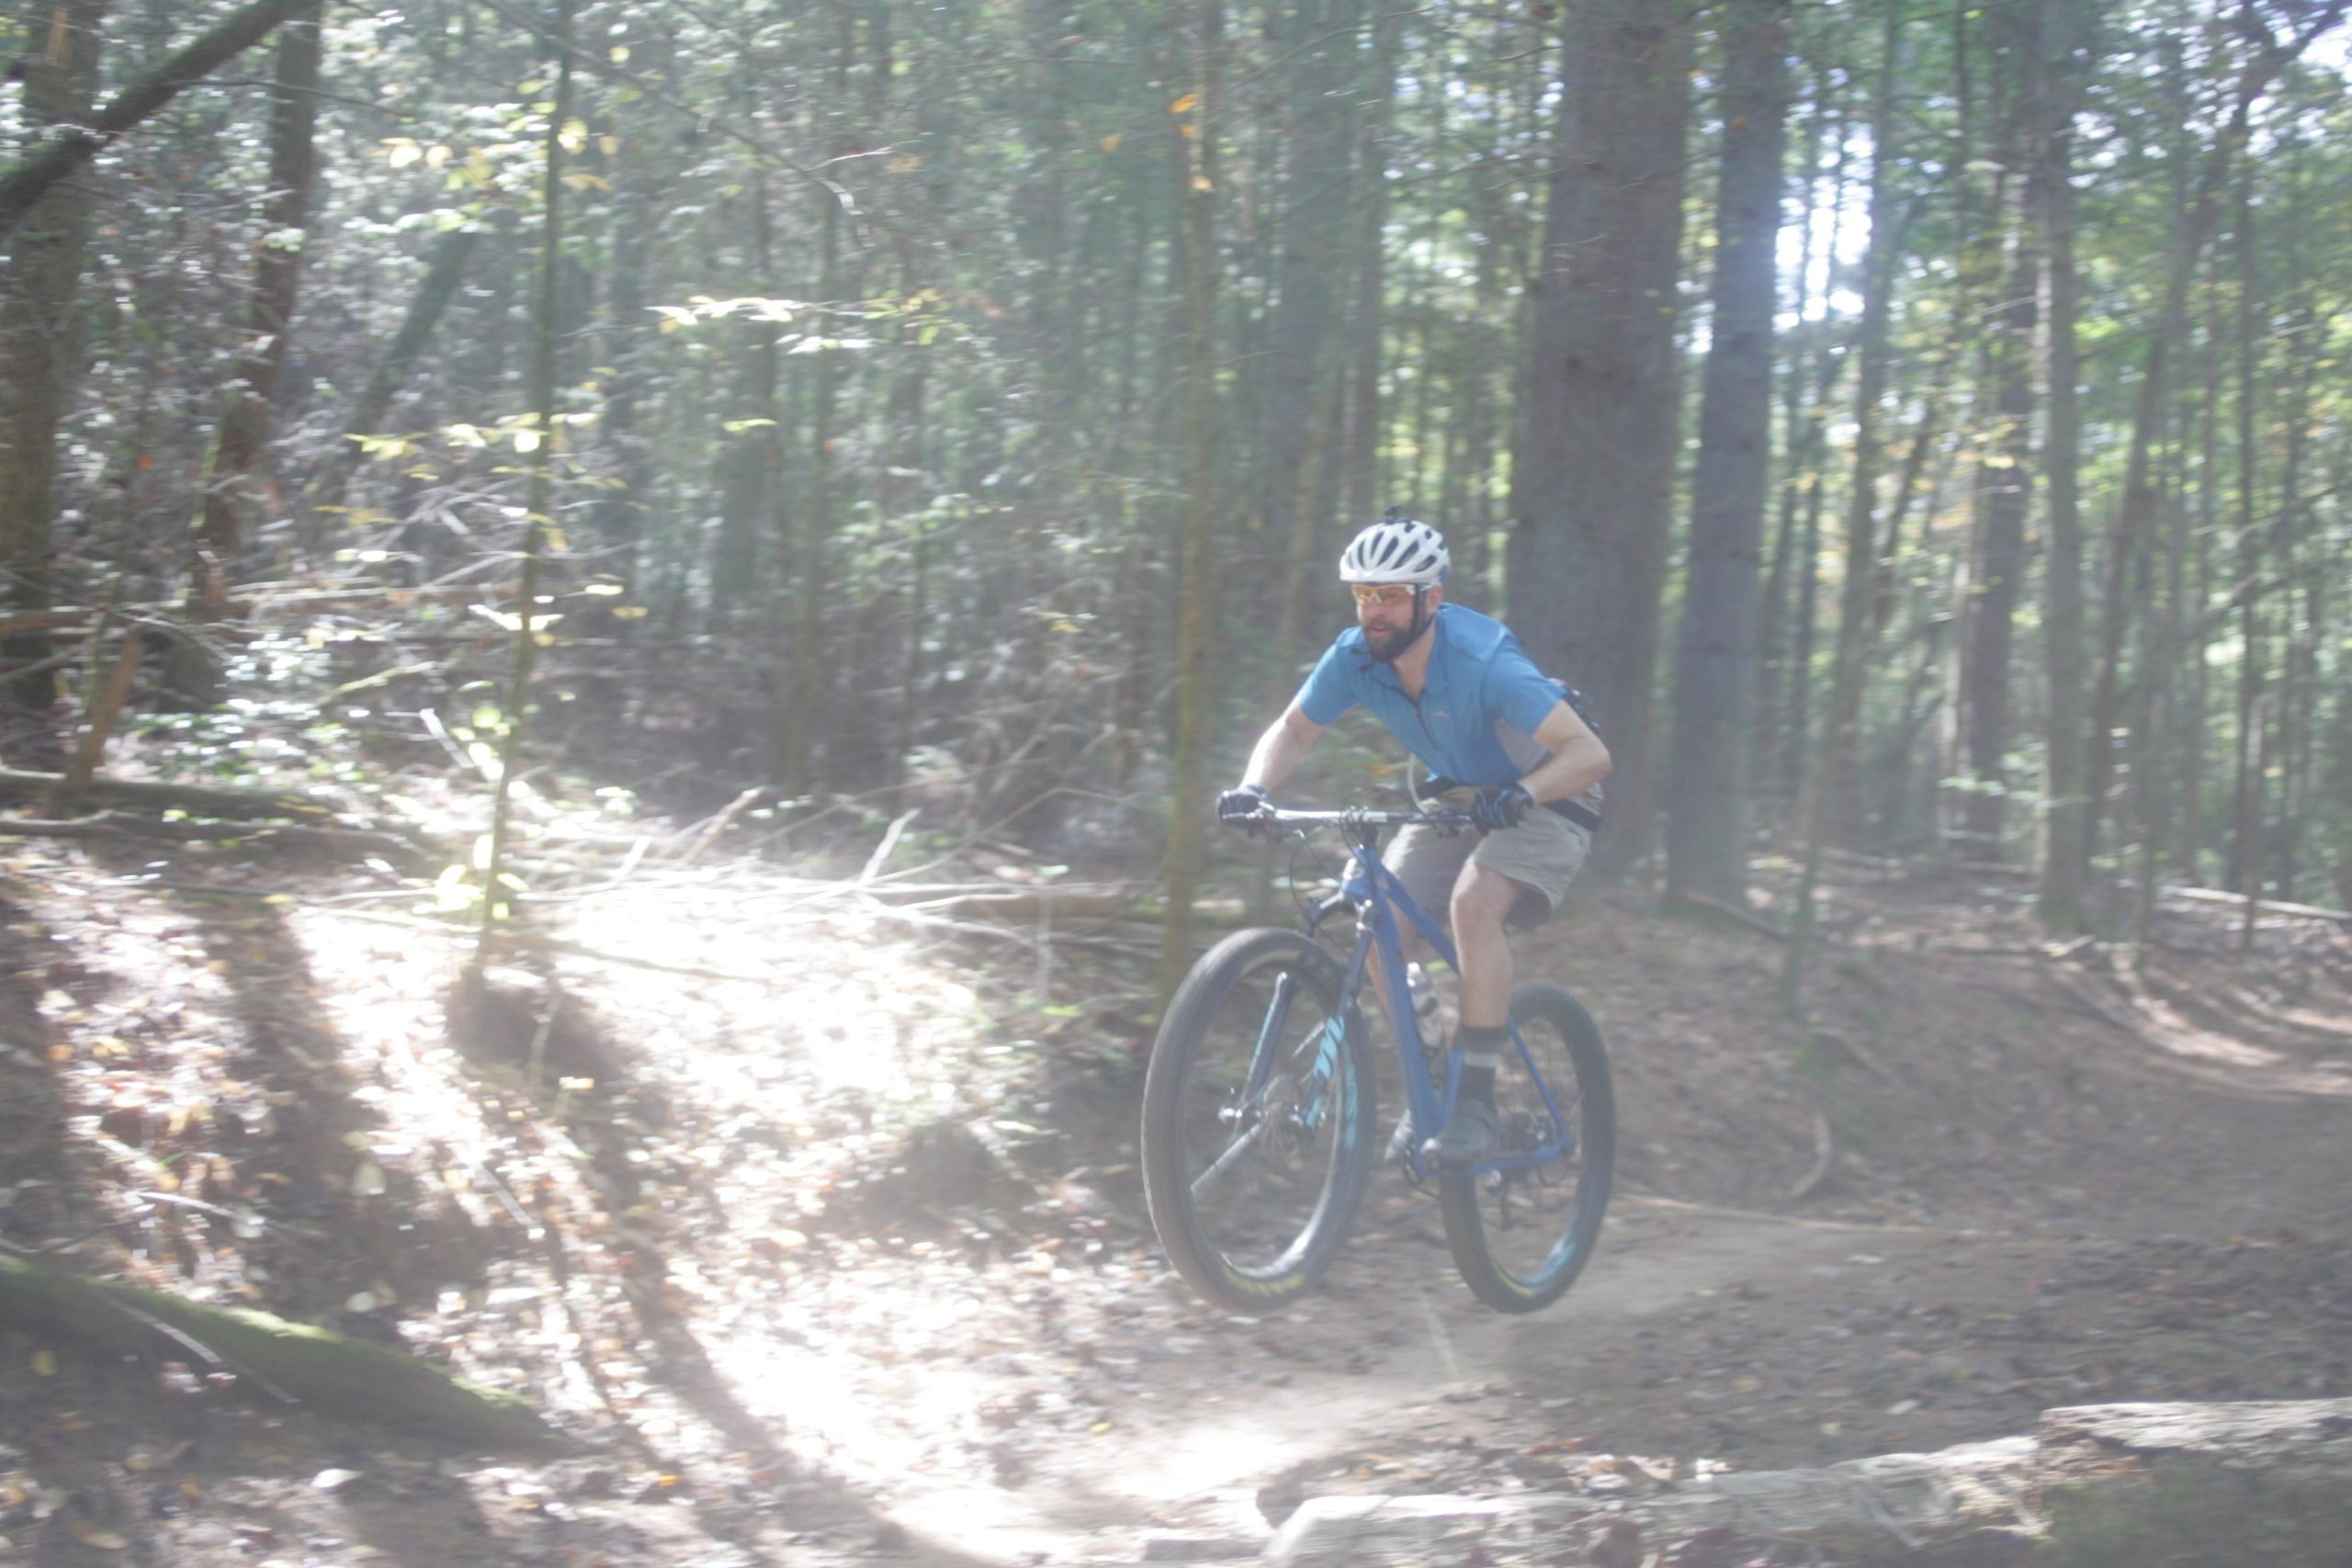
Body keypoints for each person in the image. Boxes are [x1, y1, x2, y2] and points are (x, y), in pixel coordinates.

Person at [1216, 512, 1611, 1171]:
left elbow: (1589, 752)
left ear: (1433, 599)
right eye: (1364, 594)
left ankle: (1476, 1106)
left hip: (1553, 790)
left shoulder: (1485, 663)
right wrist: (1253, 786)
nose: (1374, 609)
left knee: (1474, 903)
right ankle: (1430, 1080)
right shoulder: (1356, 657)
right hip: (1462, 793)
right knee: (1381, 919)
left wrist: (1524, 792)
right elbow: (1292, 729)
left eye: (1391, 595)